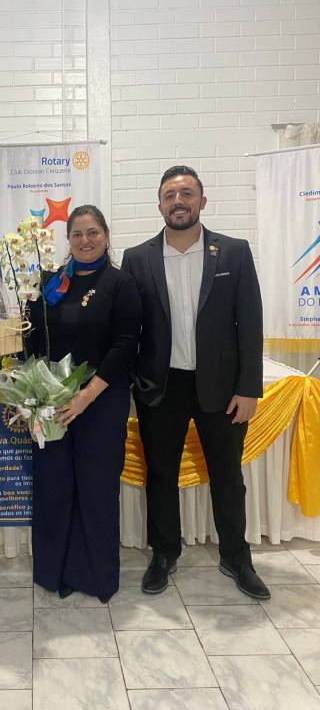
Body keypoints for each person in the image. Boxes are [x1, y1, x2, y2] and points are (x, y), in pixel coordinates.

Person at [122, 165, 270, 600]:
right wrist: (133, 383)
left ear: (202, 201)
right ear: (160, 205)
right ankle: (164, 554)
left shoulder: (233, 252)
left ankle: (237, 558)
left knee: (228, 477)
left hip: (222, 389)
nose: (178, 201)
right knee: (160, 476)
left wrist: (249, 387)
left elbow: (250, 323)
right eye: (170, 195)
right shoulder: (138, 258)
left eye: (186, 193)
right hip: (161, 388)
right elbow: (130, 328)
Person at [27, 205, 142, 603]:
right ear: (68, 240)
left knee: (96, 488)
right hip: (52, 401)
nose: (85, 240)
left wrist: (85, 396)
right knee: (54, 486)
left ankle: (95, 576)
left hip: (101, 401)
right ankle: (55, 572)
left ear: (106, 236)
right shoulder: (51, 283)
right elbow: (34, 339)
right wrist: (28, 387)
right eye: (77, 234)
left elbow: (125, 346)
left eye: (93, 232)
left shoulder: (121, 284)